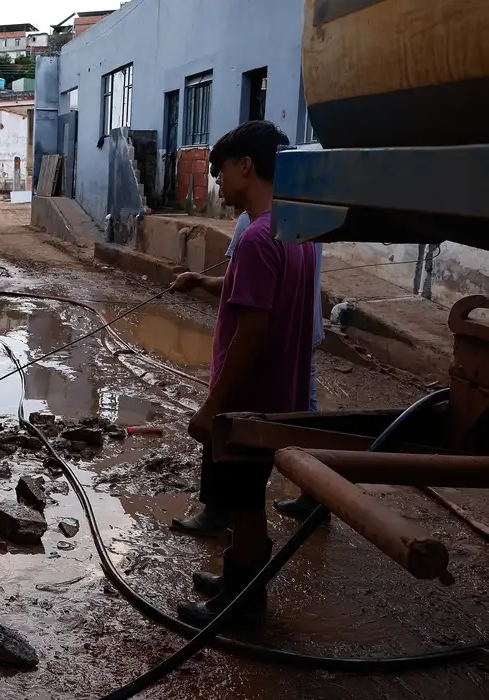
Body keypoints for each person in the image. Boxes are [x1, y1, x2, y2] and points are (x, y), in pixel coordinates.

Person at [166, 121, 317, 626]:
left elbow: (251, 334)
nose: (216, 180)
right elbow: (247, 289)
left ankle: (244, 603)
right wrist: (199, 281)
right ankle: (239, 579)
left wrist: (213, 408)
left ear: (246, 166)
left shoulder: (255, 238)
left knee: (246, 502)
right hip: (280, 394)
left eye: (221, 170)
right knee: (246, 496)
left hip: (248, 401)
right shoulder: (294, 229)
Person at [229, 211, 325, 521]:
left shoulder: (253, 228)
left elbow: (241, 289)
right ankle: (317, 491)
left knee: (256, 425)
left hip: (275, 338)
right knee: (303, 412)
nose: (221, 186)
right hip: (303, 332)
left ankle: (233, 517)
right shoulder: (309, 221)